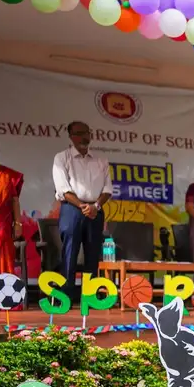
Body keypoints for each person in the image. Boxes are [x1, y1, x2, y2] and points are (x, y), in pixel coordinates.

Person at [52, 121, 112, 299]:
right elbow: (63, 188)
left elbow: (108, 189)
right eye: (78, 133)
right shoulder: (62, 158)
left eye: (86, 132)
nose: (84, 137)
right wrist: (82, 206)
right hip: (72, 210)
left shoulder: (101, 160)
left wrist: (95, 206)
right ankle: (67, 295)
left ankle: (91, 296)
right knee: (70, 252)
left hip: (96, 210)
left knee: (93, 253)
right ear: (71, 137)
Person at [0, 137, 24, 276]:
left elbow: (14, 200)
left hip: (2, 226)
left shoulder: (7, 175)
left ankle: (1, 295)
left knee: (3, 263)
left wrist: (17, 224)